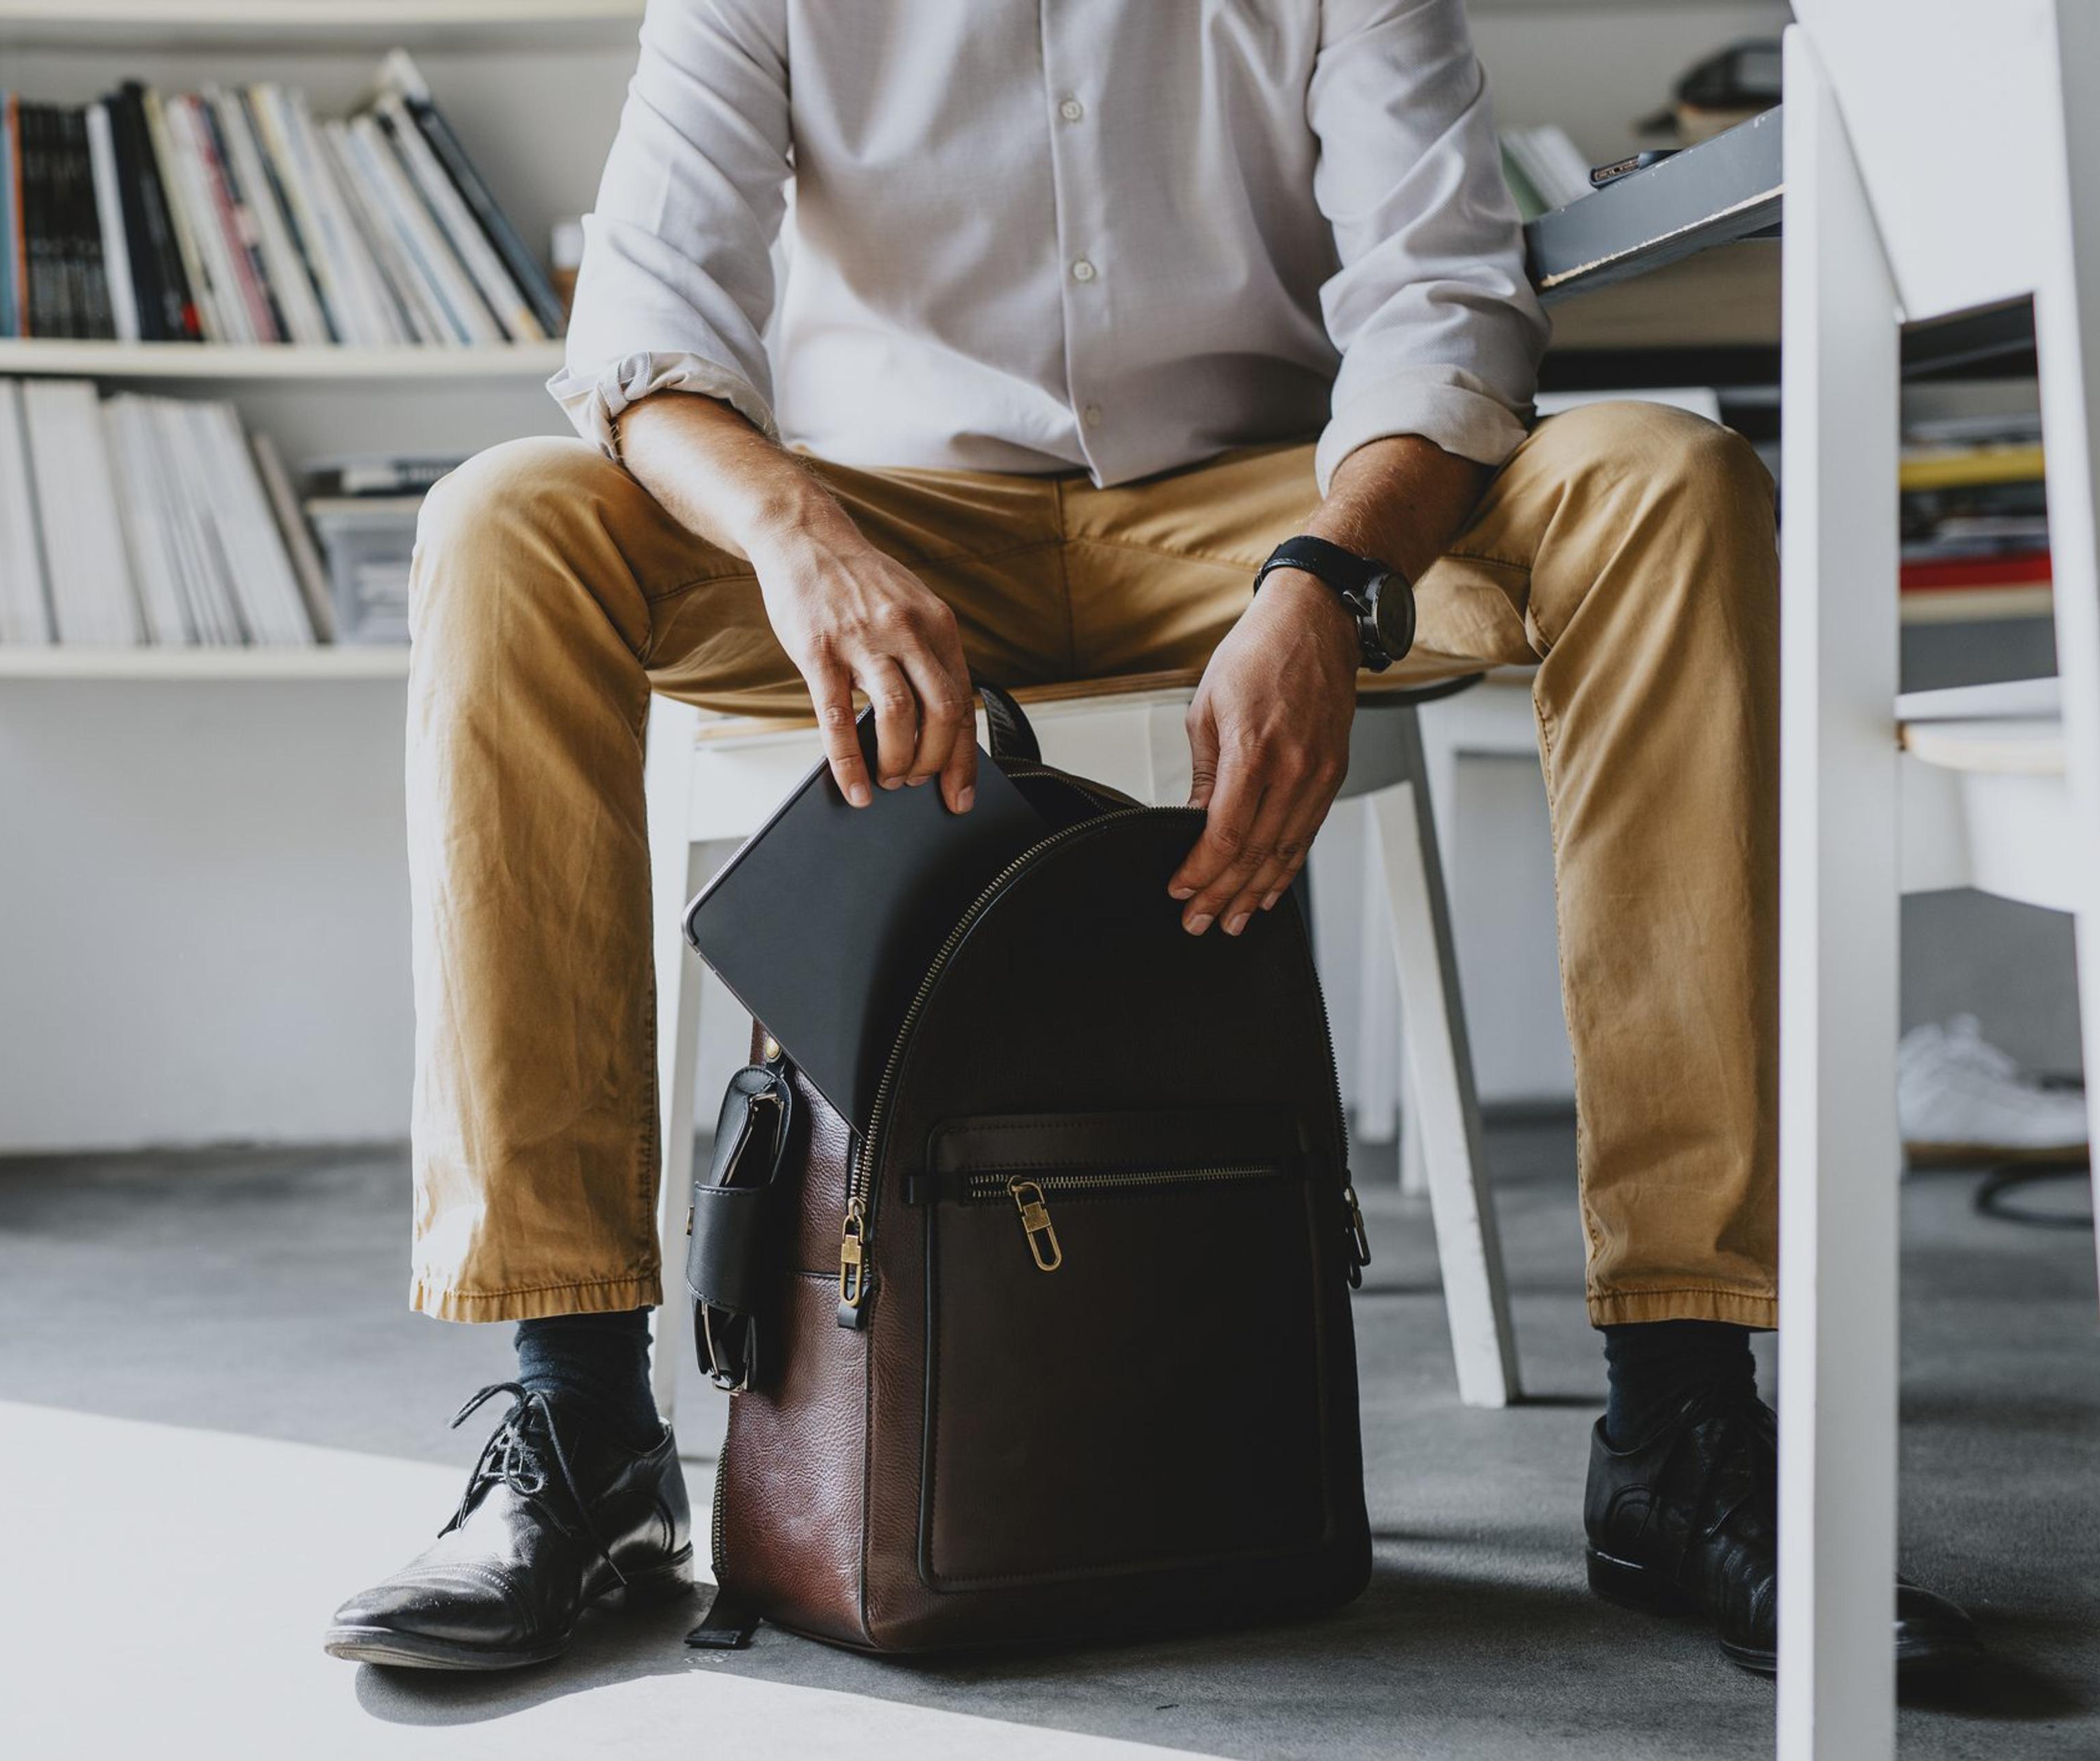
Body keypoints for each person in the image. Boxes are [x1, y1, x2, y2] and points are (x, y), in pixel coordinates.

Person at [324, 0, 1981, 1678]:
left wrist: (1329, 573)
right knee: (502, 526)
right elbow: (644, 328)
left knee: (1671, 481)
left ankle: (1682, 1421)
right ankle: (579, 1415)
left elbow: (1446, 299)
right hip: (885, 521)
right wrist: (795, 529)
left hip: (1260, 512)